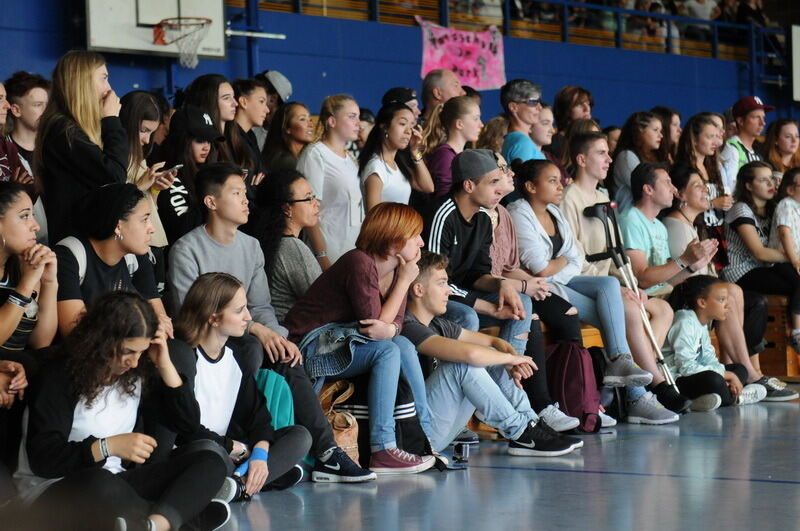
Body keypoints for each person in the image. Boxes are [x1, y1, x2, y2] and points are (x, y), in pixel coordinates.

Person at [167, 162, 375, 483]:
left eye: (245, 192)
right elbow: (189, 314)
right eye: (236, 193)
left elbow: (261, 306)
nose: (246, 199)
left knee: (286, 356)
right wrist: (257, 330)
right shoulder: (187, 249)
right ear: (211, 202)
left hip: (245, 329)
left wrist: (278, 337)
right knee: (250, 349)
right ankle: (240, 440)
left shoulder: (250, 246)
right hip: (206, 339)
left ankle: (327, 453)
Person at [15, 291, 231, 531]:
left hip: (117, 485)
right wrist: (107, 447)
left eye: (141, 352)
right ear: (102, 341)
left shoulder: (135, 374)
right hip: (54, 491)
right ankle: (186, 520)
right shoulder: (60, 376)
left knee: (211, 461)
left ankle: (153, 525)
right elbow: (43, 459)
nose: (135, 362)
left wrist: (164, 362)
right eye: (128, 351)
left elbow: (188, 425)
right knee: (100, 482)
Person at [509, 157, 680, 423]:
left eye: (560, 181)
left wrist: (560, 265)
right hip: (542, 288)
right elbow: (539, 268)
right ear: (531, 186)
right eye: (552, 181)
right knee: (622, 312)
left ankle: (621, 362)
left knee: (611, 284)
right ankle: (636, 395)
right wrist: (561, 264)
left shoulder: (555, 212)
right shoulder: (518, 213)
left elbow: (576, 257)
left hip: (563, 280)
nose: (559, 187)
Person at [425, 149, 579, 431]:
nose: (500, 189)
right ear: (469, 185)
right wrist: (486, 305)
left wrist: (502, 284)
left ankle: (508, 384)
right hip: (439, 301)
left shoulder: (484, 218)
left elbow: (478, 274)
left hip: (462, 294)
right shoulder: (443, 214)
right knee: (469, 318)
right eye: (493, 182)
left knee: (521, 303)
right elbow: (433, 281)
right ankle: (514, 409)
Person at [284, 202, 437, 474]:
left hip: (339, 340)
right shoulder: (360, 262)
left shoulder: (388, 270)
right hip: (308, 347)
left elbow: (392, 326)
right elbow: (373, 325)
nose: (421, 242)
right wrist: (402, 285)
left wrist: (390, 329)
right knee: (388, 351)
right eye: (415, 235)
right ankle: (383, 447)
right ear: (393, 240)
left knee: (400, 344)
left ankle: (422, 437)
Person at [403, 251, 580, 456]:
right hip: (416, 437)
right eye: (441, 283)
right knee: (462, 365)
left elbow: (494, 341)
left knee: (488, 355)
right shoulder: (408, 327)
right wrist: (511, 358)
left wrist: (512, 360)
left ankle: (530, 423)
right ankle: (521, 432)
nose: (448, 292)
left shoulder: (439, 324)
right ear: (418, 289)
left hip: (436, 430)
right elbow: (471, 354)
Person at [561, 133, 688, 417]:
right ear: (582, 160)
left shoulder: (603, 197)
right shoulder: (569, 198)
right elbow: (572, 258)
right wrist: (614, 288)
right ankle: (647, 389)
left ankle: (639, 385)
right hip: (577, 282)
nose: (609, 159)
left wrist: (627, 283)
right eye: (601, 153)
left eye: (609, 153)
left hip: (606, 285)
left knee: (647, 304)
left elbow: (616, 253)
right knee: (628, 307)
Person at [172, 273, 312, 497]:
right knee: (209, 452)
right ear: (214, 318)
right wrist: (235, 448)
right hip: (198, 451)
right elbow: (185, 430)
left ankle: (237, 485)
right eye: (239, 311)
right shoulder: (184, 356)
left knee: (300, 436)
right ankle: (253, 483)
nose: (248, 317)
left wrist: (258, 454)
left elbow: (259, 416)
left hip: (231, 450)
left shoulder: (235, 356)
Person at [664, 165, 794, 399]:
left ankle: (741, 368)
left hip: (700, 291)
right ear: (680, 195)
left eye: (705, 186)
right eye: (697, 186)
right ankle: (750, 372)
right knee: (732, 291)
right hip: (682, 297)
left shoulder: (692, 223)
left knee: (743, 297)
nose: (706, 191)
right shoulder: (675, 224)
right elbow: (686, 276)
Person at [54, 183, 170, 338]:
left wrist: (159, 326)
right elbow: (76, 333)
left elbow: (160, 319)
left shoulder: (137, 255)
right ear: (118, 225)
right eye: (145, 219)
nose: (152, 228)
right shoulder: (69, 256)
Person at [34, 51, 128, 243]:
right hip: (75, 244)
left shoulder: (70, 127)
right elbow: (114, 176)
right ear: (82, 82)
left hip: (86, 240)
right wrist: (111, 120)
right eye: (103, 78)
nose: (109, 88)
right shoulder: (62, 130)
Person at [725, 161, 800, 353]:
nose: (771, 185)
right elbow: (759, 252)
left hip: (764, 267)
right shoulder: (741, 209)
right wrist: (795, 257)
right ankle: (796, 334)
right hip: (741, 271)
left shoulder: (773, 208)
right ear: (748, 185)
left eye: (772, 180)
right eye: (763, 180)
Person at [663, 275, 767, 411]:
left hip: (696, 374)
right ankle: (738, 398)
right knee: (715, 380)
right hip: (677, 379)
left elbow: (708, 358)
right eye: (721, 300)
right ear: (702, 302)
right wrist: (725, 375)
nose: (727, 305)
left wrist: (725, 373)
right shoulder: (684, 321)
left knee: (740, 369)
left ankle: (711, 398)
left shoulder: (702, 323)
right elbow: (685, 367)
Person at [296, 94, 364, 268]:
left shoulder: (350, 159)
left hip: (353, 251)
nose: (359, 123)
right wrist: (322, 256)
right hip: (330, 254)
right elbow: (309, 210)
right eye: (351, 117)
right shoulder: (316, 155)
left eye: (358, 117)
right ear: (332, 121)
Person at [119, 91, 176, 292]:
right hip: (130, 247)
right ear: (128, 122)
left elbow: (146, 204)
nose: (146, 139)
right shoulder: (113, 157)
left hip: (153, 241)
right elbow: (116, 205)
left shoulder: (138, 155)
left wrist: (154, 188)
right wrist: (140, 186)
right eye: (143, 130)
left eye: (151, 132)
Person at [252, 169, 321, 324]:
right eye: (308, 199)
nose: (316, 203)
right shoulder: (292, 248)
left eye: (313, 196)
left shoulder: (277, 242)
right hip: (296, 337)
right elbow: (323, 301)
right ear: (287, 208)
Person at [156, 104, 224, 244]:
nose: (207, 146)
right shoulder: (169, 176)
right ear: (182, 141)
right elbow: (184, 232)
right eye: (200, 140)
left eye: (209, 140)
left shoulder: (205, 171)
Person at [359, 103, 434, 210]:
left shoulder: (397, 164)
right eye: (403, 124)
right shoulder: (376, 168)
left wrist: (415, 151)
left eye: (412, 126)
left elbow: (428, 187)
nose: (408, 131)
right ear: (385, 127)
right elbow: (373, 219)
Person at [424, 96, 483, 199]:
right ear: (459, 124)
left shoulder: (462, 154)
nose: (481, 124)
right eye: (476, 119)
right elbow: (444, 196)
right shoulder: (444, 155)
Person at [609, 111, 664, 214]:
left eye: (661, 131)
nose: (660, 135)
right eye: (655, 130)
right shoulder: (626, 156)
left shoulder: (654, 156)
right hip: (629, 217)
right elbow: (645, 188)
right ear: (640, 131)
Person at [184, 74, 238, 161]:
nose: (235, 103)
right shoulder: (204, 147)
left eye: (233, 97)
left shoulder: (235, 136)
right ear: (209, 101)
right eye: (227, 98)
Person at [4, 71, 50, 172]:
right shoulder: (3, 153)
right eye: (38, 105)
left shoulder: (58, 147)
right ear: (16, 110)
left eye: (47, 105)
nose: (47, 111)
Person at [720, 96, 773, 182]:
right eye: (756, 117)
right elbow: (730, 188)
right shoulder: (732, 148)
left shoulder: (756, 151)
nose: (762, 123)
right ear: (740, 121)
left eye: (763, 118)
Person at [226, 78, 269, 181]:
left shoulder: (250, 135)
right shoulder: (228, 137)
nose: (267, 110)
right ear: (243, 102)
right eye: (261, 101)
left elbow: (263, 176)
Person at [500, 79, 545, 164]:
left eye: (539, 102)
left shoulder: (516, 139)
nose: (540, 107)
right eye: (533, 102)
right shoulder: (522, 143)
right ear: (513, 107)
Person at [261, 102, 314, 174]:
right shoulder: (286, 162)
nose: (310, 125)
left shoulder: (299, 158)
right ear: (287, 128)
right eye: (302, 119)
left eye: (310, 120)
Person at [547, 85, 594, 161]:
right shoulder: (553, 144)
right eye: (579, 104)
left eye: (588, 103)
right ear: (566, 110)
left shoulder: (590, 141)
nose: (587, 109)